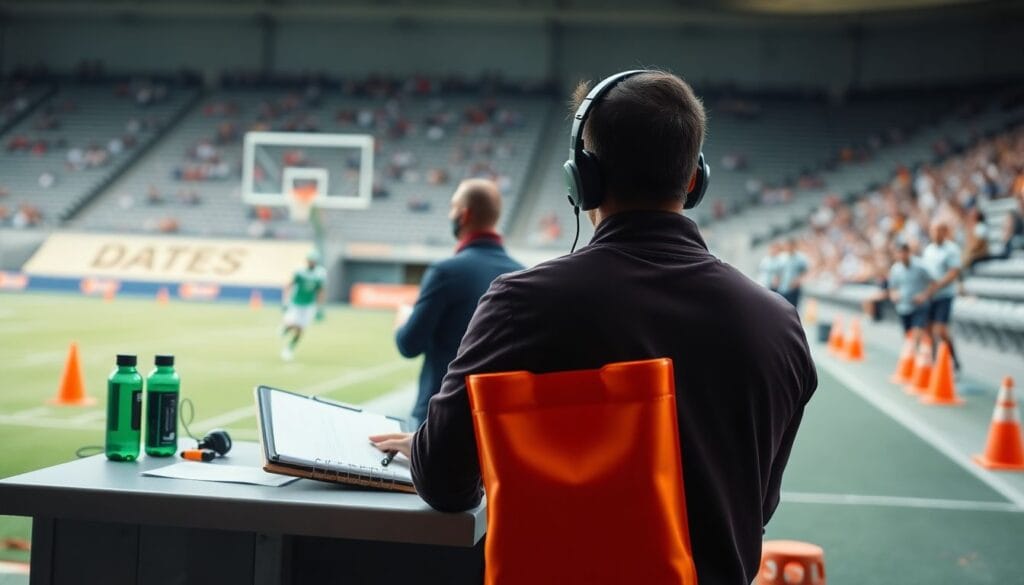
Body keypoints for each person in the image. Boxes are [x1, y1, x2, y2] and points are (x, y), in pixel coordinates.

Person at [371, 70, 817, 584]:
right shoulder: (780, 324)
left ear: (581, 179)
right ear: (695, 180)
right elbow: (756, 506)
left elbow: (445, 482)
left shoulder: (522, 302)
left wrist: (425, 444)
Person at [394, 178, 523, 426]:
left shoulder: (445, 272)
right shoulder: (522, 274)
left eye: (453, 207)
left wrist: (403, 319)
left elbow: (409, 344)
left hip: (438, 417)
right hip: (492, 420)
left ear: (464, 215)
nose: (450, 213)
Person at [921, 222, 962, 370]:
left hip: (944, 294)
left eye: (939, 230)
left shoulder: (951, 249)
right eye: (933, 230)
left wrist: (937, 285)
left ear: (945, 232)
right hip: (931, 295)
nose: (936, 233)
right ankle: (934, 361)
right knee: (928, 330)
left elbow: (954, 272)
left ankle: (953, 358)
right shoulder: (928, 250)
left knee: (940, 330)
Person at [280, 250, 326, 362]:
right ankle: (286, 328)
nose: (311, 263)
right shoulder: (299, 272)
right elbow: (289, 285)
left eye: (313, 261)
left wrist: (319, 308)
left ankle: (289, 349)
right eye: (310, 260)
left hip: (309, 305)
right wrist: (285, 302)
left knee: (300, 329)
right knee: (292, 324)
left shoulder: (320, 273)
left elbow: (320, 291)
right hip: (296, 303)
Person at [888, 243, 933, 345]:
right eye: (899, 253)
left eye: (904, 253)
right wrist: (894, 295)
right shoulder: (895, 269)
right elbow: (892, 288)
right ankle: (913, 356)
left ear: (908, 252)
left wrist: (924, 295)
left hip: (919, 306)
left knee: (917, 333)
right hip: (903, 306)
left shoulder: (920, 266)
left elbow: (932, 283)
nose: (902, 256)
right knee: (908, 336)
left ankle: (920, 356)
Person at [776, 238, 809, 308]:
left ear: (794, 246)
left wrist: (798, 280)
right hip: (782, 287)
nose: (789, 247)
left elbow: (805, 271)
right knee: (781, 307)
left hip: (794, 288)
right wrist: (777, 280)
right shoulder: (782, 257)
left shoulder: (800, 258)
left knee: (793, 308)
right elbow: (778, 271)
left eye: (790, 245)